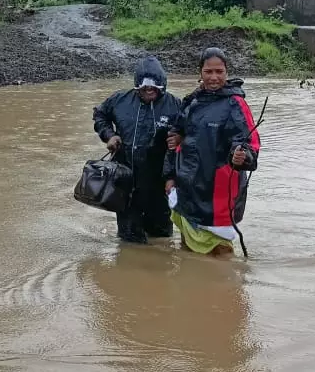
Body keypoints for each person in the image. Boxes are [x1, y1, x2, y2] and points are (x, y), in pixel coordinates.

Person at [162, 48, 260, 256]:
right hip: (187, 189)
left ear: (226, 72)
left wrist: (241, 156)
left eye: (219, 71)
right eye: (208, 72)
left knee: (221, 255)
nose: (214, 77)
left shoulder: (235, 104)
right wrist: (169, 176)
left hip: (217, 192)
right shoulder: (192, 102)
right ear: (200, 73)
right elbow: (174, 139)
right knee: (187, 252)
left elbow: (248, 142)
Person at [92, 55, 183, 244]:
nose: (149, 91)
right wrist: (109, 135)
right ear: (137, 86)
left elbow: (188, 136)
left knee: (161, 241)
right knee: (129, 241)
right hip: (126, 184)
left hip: (159, 186)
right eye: (144, 88)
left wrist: (173, 176)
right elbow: (100, 114)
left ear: (162, 85)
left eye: (154, 88)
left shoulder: (175, 105)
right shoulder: (119, 100)